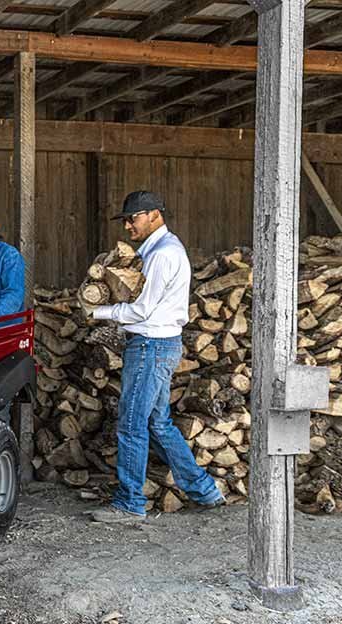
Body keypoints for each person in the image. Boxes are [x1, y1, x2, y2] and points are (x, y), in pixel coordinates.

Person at [88, 190, 225, 524]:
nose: (127, 227)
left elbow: (142, 309)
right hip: (159, 344)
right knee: (158, 423)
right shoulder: (158, 250)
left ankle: (130, 503)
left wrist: (98, 311)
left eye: (132, 219)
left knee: (132, 423)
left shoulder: (162, 254)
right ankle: (204, 490)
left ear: (154, 215)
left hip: (150, 345)